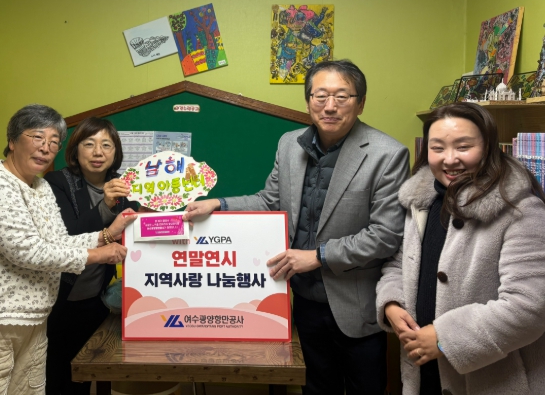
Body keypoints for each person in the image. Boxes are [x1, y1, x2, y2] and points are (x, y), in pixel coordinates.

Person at [185, 59, 409, 395]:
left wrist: (316, 257)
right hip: (302, 300)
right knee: (315, 388)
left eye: (342, 96)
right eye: (320, 96)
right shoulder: (290, 144)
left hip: (356, 306)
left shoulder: (388, 154)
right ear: (308, 102)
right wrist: (219, 203)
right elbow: (270, 201)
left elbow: (385, 236)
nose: (330, 106)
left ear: (361, 102)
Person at [0, 104, 136, 395]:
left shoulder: (40, 188)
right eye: (37, 137)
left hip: (33, 322)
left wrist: (106, 235)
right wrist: (97, 254)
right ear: (12, 140)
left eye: (53, 142)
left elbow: (57, 241)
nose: (45, 148)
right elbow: (28, 251)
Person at [376, 102, 545, 395]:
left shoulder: (521, 210)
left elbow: (529, 307)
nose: (450, 159)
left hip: (493, 379)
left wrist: (445, 338)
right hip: (423, 371)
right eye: (437, 148)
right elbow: (398, 264)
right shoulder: (421, 202)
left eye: (463, 146)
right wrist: (392, 304)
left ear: (488, 147)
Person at [43, 117, 136, 395]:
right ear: (75, 150)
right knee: (58, 375)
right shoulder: (56, 182)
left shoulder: (125, 185)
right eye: (89, 144)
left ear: (116, 152)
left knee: (91, 372)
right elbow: (67, 235)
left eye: (106, 145)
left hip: (97, 297)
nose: (98, 152)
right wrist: (105, 205)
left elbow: (132, 232)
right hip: (59, 298)